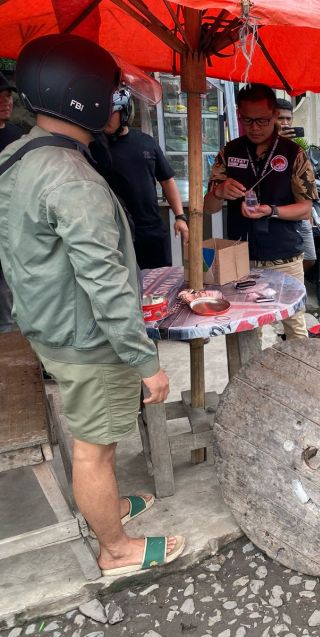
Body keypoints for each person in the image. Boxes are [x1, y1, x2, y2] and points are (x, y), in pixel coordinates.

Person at [0, 34, 183, 574]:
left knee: (93, 439)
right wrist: (146, 364)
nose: (116, 102)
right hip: (86, 338)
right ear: (84, 96)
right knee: (94, 447)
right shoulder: (73, 179)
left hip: (45, 322)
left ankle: (105, 510)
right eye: (110, 91)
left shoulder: (17, 155)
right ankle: (116, 547)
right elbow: (104, 283)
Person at [204, 84, 317, 340]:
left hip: (285, 258)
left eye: (263, 120)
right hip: (239, 259)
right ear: (238, 114)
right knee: (245, 331)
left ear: (275, 116)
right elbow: (208, 208)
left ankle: (299, 379)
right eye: (247, 120)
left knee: (295, 327)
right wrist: (219, 192)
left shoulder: (293, 153)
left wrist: (271, 210)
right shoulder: (229, 152)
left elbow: (305, 208)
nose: (255, 127)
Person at [100, 88, 188, 269]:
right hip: (113, 234)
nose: (106, 117)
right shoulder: (94, 147)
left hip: (151, 231)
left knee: (158, 288)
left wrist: (180, 216)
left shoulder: (146, 142)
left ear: (125, 113)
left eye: (112, 112)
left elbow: (167, 180)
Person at [276, 97, 316, 273]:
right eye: (280, 118)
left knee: (310, 257)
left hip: (300, 212)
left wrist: (309, 210)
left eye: (288, 118)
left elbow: (304, 182)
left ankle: (297, 276)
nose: (285, 123)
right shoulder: (264, 147)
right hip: (280, 217)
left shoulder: (296, 148)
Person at [0, 71, 23, 333]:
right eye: (0, 97)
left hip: (13, 228)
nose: (6, 101)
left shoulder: (19, 138)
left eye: (8, 97)